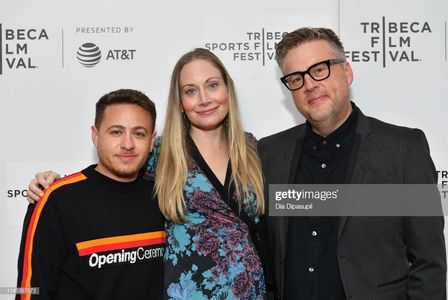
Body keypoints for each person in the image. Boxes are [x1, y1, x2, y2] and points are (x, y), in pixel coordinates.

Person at [26, 49, 267, 300]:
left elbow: (284, 216)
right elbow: (110, 174)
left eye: (213, 85)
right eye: (190, 91)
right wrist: (52, 184)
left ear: (228, 90)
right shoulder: (161, 154)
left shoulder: (254, 149)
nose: (204, 99)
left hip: (252, 291)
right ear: (181, 103)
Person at [257, 27, 446, 299]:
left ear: (346, 71)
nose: (309, 84)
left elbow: (430, 263)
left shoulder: (403, 149)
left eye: (319, 69)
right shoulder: (269, 153)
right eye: (296, 78)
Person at [17, 89, 165, 299]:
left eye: (139, 133)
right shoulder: (56, 200)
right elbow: (29, 291)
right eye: (116, 132)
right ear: (95, 136)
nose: (128, 144)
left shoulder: (165, 197)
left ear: (151, 141)